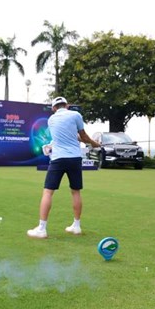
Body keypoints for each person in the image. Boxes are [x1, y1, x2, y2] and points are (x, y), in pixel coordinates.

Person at [27, 96, 101, 239]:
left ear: (54, 108)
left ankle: (42, 229)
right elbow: (83, 137)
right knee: (76, 191)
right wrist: (95, 144)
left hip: (58, 159)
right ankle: (77, 226)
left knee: (48, 192)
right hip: (75, 158)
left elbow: (69, 137)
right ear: (66, 105)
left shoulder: (51, 119)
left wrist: (91, 142)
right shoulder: (76, 115)